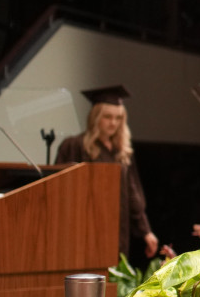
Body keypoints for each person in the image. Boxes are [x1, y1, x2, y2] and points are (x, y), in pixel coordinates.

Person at [56, 85, 159, 261]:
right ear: (95, 118)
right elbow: (59, 189)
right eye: (107, 117)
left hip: (118, 227)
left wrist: (146, 231)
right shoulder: (75, 146)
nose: (113, 123)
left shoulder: (122, 152)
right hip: (85, 227)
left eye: (118, 118)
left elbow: (133, 193)